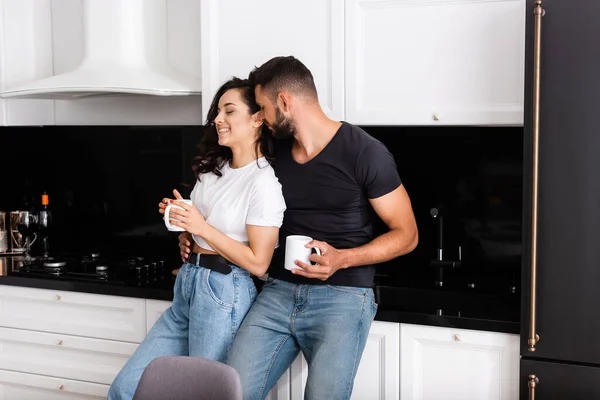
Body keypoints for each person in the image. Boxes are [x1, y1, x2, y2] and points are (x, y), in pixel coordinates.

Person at [178, 56, 418, 400]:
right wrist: (194, 236)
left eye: (262, 107)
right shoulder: (274, 151)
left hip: (343, 297)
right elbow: (232, 193)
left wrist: (342, 259)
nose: (261, 118)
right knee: (228, 392)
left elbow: (407, 234)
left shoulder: (365, 152)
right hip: (277, 292)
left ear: (284, 102)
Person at [108, 77, 286, 400]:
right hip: (189, 284)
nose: (218, 119)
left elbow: (259, 263)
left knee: (202, 396)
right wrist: (185, 229)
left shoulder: (264, 183)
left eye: (229, 111)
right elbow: (201, 231)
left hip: (224, 292)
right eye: (218, 112)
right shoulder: (212, 170)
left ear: (257, 118)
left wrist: (201, 229)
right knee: (126, 389)